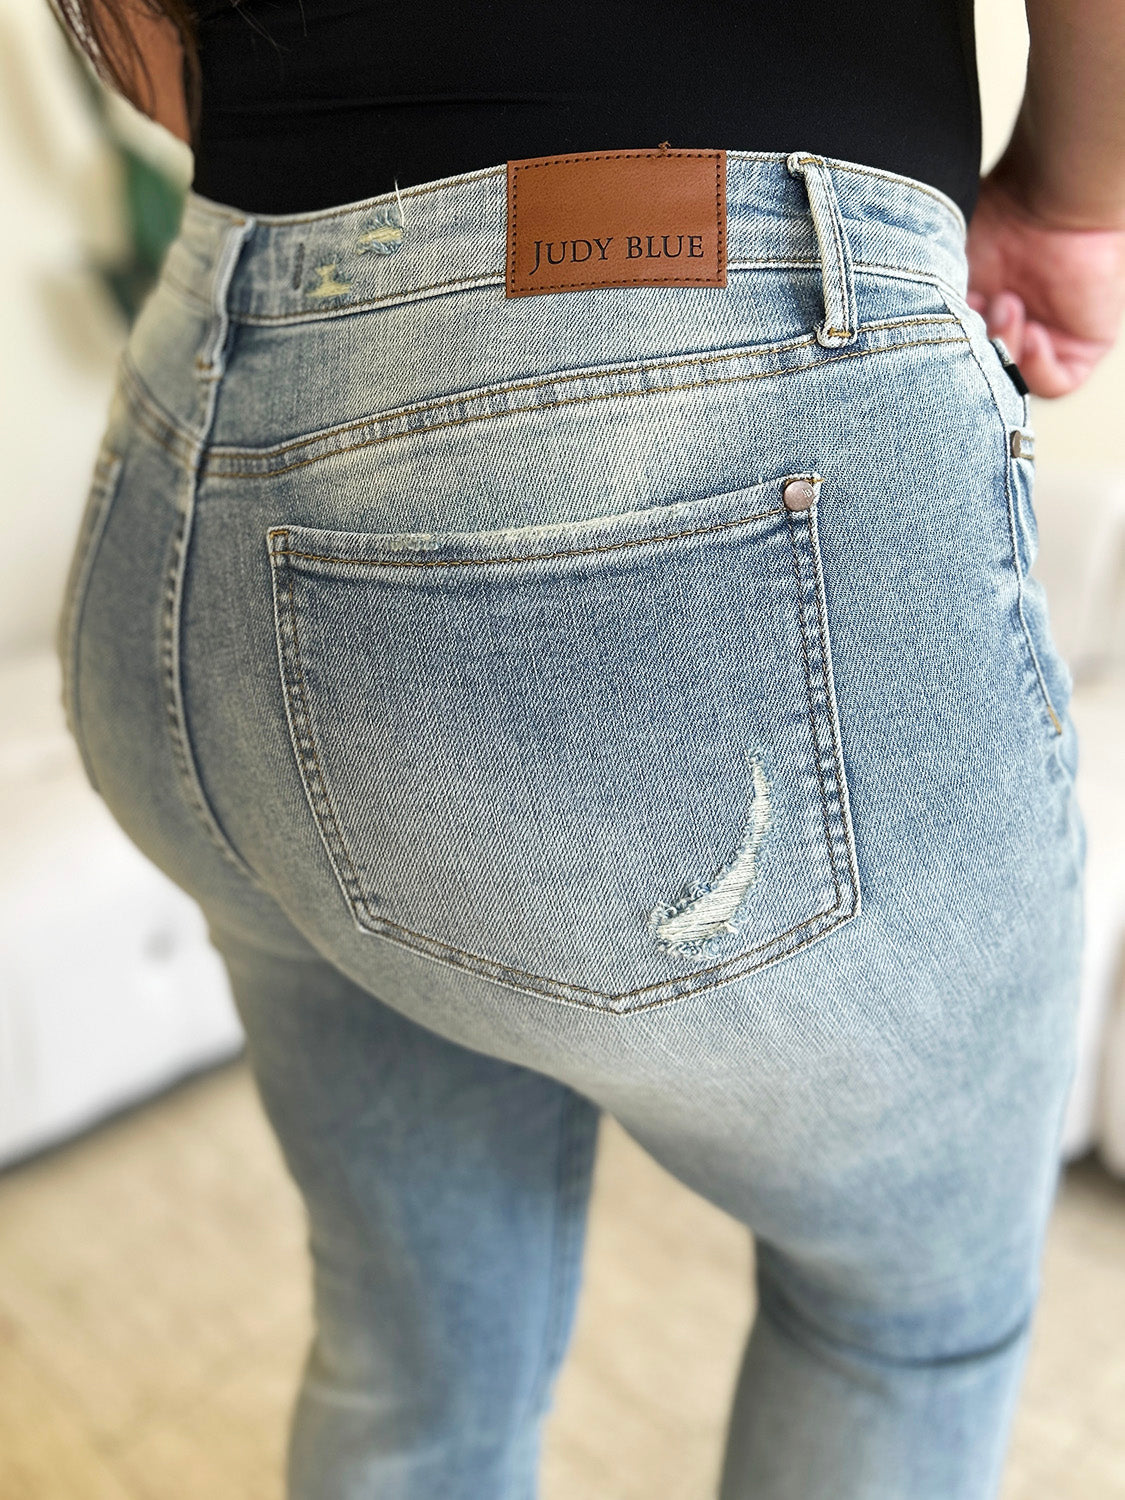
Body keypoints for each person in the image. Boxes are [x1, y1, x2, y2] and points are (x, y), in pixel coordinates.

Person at [47, 2, 1125, 1497]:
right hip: (672, 426)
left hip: (197, 428)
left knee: (410, 1355)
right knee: (906, 1326)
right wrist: (1076, 200)